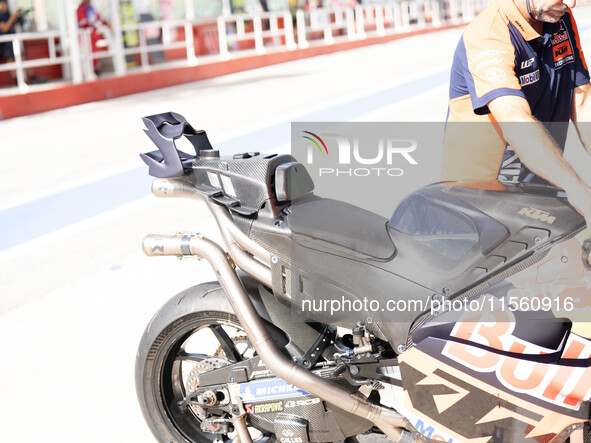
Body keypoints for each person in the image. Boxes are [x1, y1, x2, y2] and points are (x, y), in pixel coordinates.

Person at [441, 0, 591, 231]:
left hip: (538, 196)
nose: (570, 3)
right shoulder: (488, 34)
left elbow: (582, 104)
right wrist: (578, 189)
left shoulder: (559, 17)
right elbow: (516, 123)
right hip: (479, 208)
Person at [77, 0, 109, 74]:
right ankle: (91, 71)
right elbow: (83, 22)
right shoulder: (81, 8)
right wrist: (92, 26)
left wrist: (107, 24)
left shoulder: (91, 8)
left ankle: (96, 69)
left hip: (93, 35)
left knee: (94, 52)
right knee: (88, 53)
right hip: (86, 36)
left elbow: (99, 17)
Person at [0, 0, 21, 82]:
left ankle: (31, 77)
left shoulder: (7, 14)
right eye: (2, 3)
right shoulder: (1, 15)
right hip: (4, 42)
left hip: (12, 41)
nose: (4, 5)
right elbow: (5, 28)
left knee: (21, 56)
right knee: (10, 59)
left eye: (5, 3)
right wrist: (12, 18)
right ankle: (17, 80)